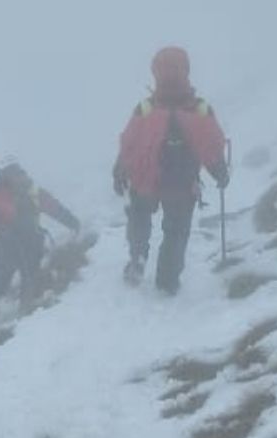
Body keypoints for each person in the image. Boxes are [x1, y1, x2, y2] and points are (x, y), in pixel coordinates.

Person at [113, 46, 229, 294]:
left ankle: (137, 257)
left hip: (145, 179)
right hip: (182, 183)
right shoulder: (199, 108)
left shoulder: (145, 107)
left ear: (155, 73)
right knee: (176, 231)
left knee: (139, 216)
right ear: (186, 70)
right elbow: (211, 145)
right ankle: (167, 280)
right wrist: (219, 171)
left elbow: (129, 142)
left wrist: (120, 169)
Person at [0, 158, 81, 317]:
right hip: (21, 247)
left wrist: (73, 223)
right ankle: (12, 319)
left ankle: (13, 321)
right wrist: (73, 223)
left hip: (11, 248)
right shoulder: (28, 191)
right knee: (17, 287)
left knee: (0, 292)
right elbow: (55, 208)